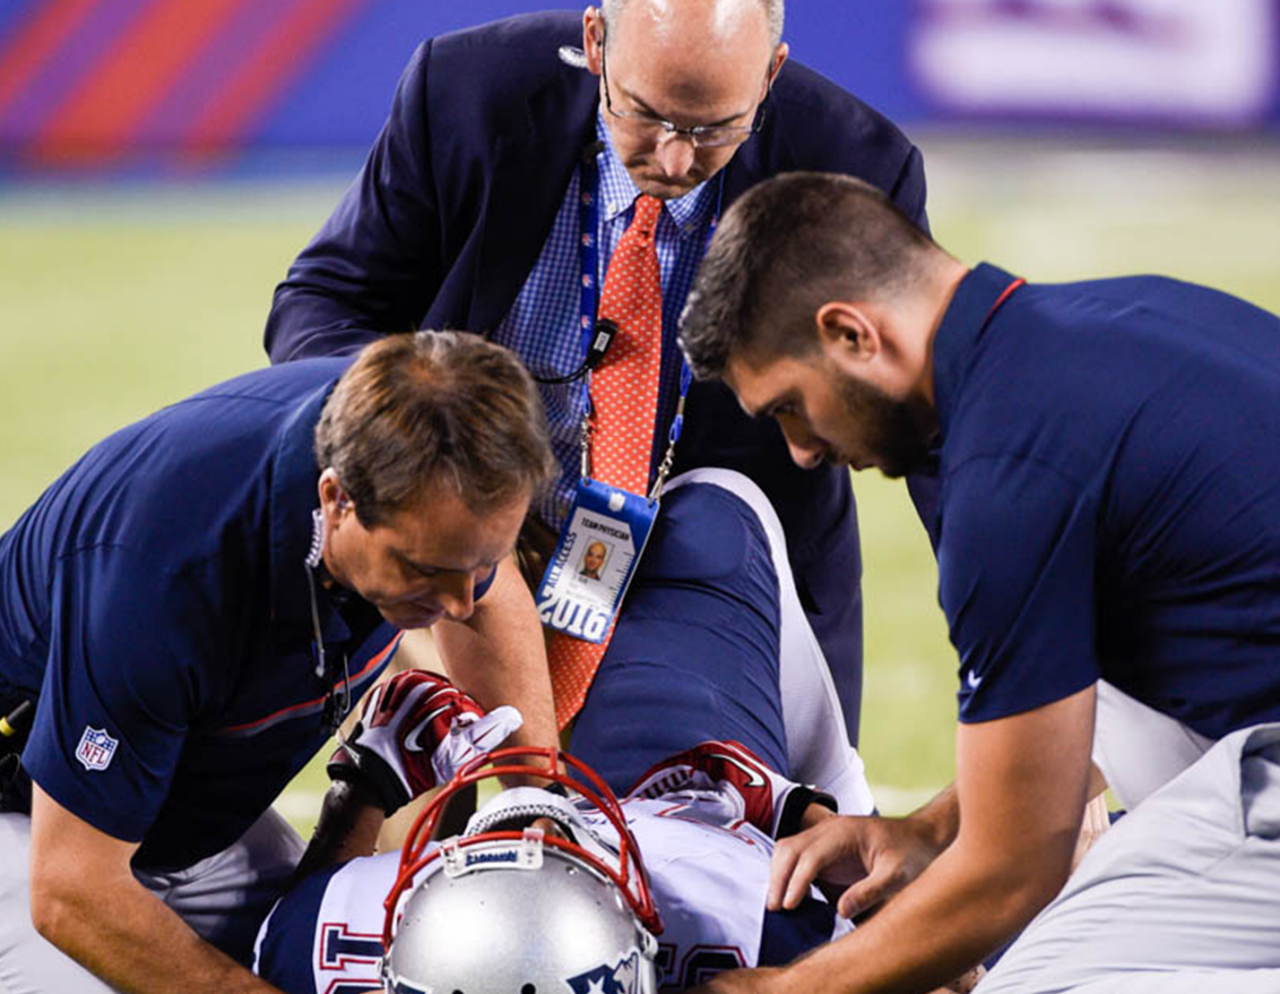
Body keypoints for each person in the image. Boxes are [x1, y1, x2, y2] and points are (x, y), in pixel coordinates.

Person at [263, 0, 933, 749]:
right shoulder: (466, 92)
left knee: (764, 843)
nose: (675, 160)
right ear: (595, 42)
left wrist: (1021, 653)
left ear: (770, 75)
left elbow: (929, 417)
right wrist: (417, 443)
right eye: (646, 115)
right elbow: (322, 301)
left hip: (719, 567)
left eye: (713, 128)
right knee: (450, 840)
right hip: (478, 546)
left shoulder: (857, 166)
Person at [676, 171, 1280, 993]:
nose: (802, 450)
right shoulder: (1131, 314)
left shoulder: (1005, 472)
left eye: (790, 406)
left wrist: (784, 989)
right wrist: (928, 830)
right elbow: (1083, 695)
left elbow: (1012, 870)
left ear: (852, 334)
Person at [0, 332, 556, 994]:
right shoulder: (162, 579)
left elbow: (485, 589)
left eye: (481, 563)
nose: (460, 604)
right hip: (38, 828)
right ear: (335, 500)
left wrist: (538, 802)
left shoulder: (414, 448)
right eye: (427, 570)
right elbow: (71, 891)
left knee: (373, 970)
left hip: (181, 812)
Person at [251, 670, 982, 994]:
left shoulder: (748, 924)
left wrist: (803, 817)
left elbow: (730, 780)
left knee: (721, 505)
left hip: (688, 797)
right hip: (691, 817)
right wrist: (367, 786)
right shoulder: (331, 941)